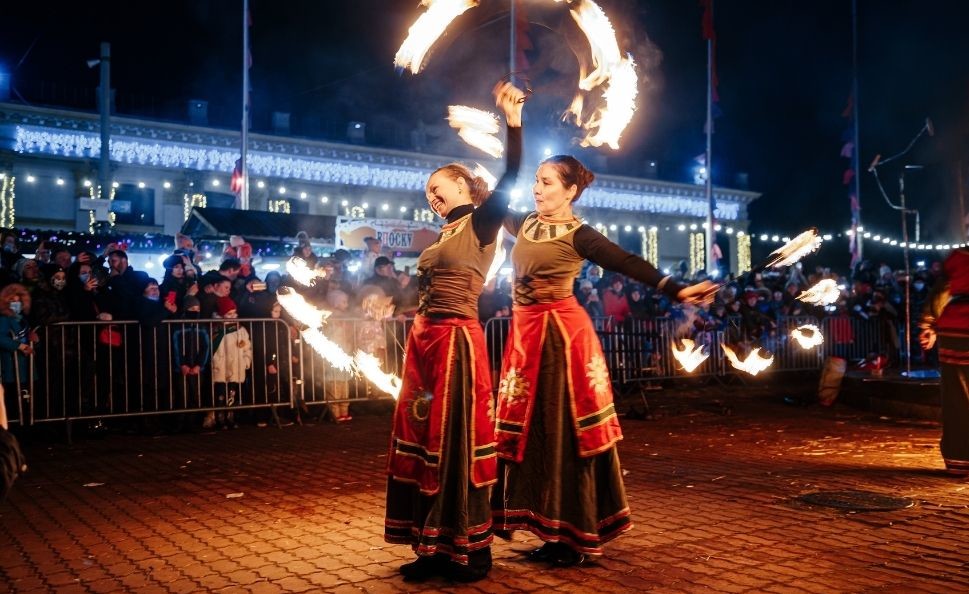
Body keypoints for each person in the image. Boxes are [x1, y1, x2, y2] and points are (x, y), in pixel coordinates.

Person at [493, 153, 717, 567]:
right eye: (537, 181)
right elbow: (490, 206)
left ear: (571, 191)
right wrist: (511, 128)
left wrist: (675, 288)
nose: (537, 189)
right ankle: (548, 527)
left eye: (547, 182)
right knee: (535, 435)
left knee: (565, 436)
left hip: (562, 341)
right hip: (526, 340)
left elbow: (625, 262)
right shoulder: (524, 223)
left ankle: (573, 535)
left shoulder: (581, 235)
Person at [384, 81, 524, 583]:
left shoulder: (482, 225)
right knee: (423, 440)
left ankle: (472, 549)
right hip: (424, 342)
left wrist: (512, 124)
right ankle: (431, 547)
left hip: (457, 346)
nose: (433, 195)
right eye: (428, 193)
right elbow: (424, 290)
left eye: (439, 186)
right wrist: (395, 305)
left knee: (456, 443)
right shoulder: (440, 236)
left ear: (466, 187)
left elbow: (510, 174)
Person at [919, 246, 969, 476]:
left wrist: (929, 325)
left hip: (955, 329)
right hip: (957, 329)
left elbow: (941, 292)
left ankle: (958, 459)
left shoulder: (958, 258)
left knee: (957, 396)